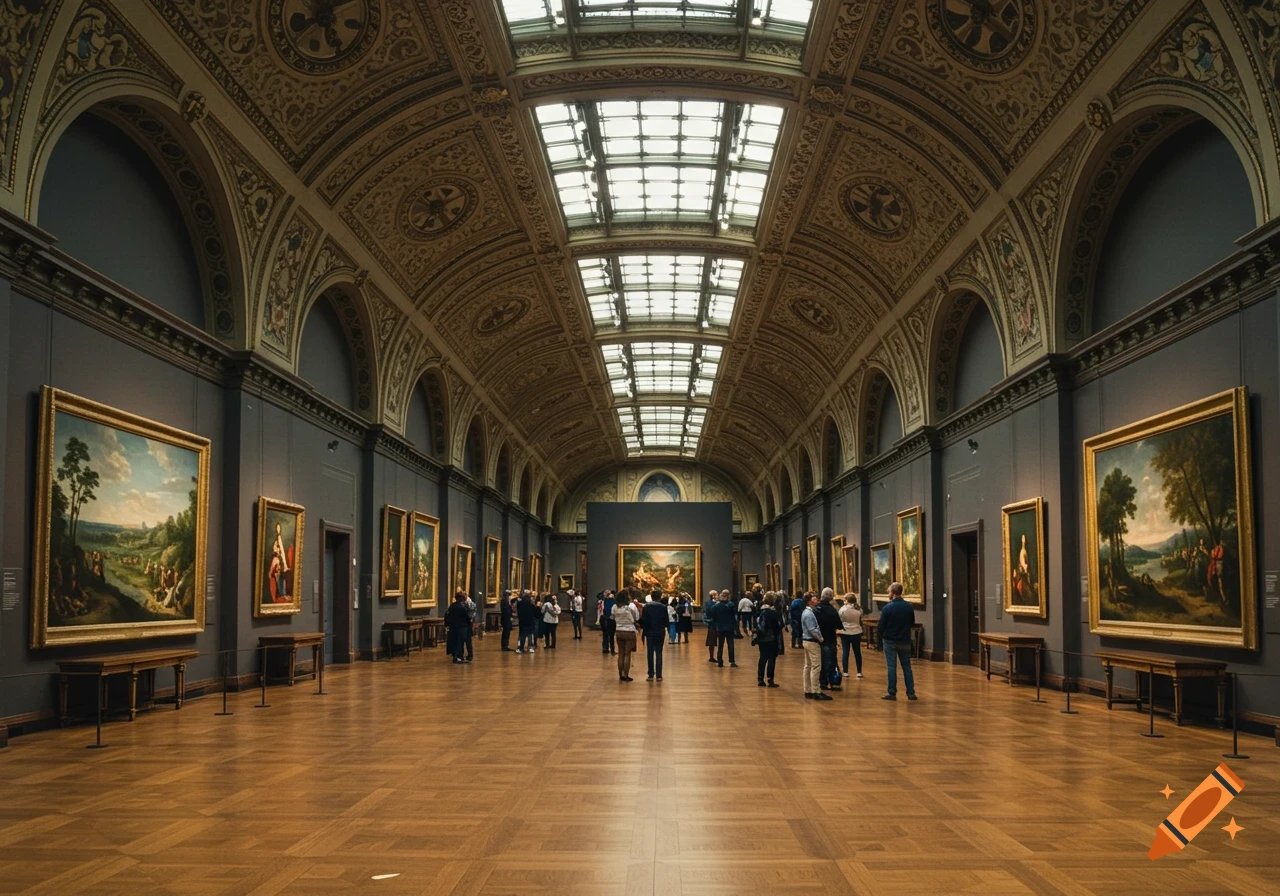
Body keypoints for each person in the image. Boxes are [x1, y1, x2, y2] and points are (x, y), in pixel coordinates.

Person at [879, 582, 917, 701]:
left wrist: (882, 636)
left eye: (889, 592)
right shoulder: (908, 607)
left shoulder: (887, 608)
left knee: (891, 667)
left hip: (890, 640)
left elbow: (881, 626)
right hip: (905, 640)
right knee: (907, 667)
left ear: (893, 593)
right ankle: (911, 693)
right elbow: (912, 623)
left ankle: (892, 692)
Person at [800, 592, 830, 700]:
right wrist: (820, 638)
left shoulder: (807, 612)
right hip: (812, 642)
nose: (816, 599)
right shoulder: (809, 614)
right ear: (809, 601)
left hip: (807, 640)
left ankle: (807, 689)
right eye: (814, 598)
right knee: (816, 666)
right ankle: (816, 690)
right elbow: (812, 629)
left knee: (808, 666)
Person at [754, 592, 783, 687]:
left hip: (761, 638)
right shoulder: (773, 613)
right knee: (771, 658)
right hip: (771, 638)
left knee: (762, 658)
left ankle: (760, 679)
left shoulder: (759, 611)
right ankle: (770, 679)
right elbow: (778, 626)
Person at [815, 589, 841, 691]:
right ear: (831, 597)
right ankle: (831, 681)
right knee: (831, 660)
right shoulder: (832, 610)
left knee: (820, 661)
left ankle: (822, 682)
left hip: (818, 639)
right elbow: (838, 625)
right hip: (830, 638)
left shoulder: (816, 609)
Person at [640, 591, 669, 681]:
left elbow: (643, 620)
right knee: (659, 652)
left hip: (649, 631)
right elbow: (666, 620)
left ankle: (651, 674)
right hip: (660, 631)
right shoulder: (663, 607)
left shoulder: (646, 607)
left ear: (651, 597)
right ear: (660, 597)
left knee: (650, 652)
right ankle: (659, 675)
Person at [612, 592, 640, 681]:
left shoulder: (614, 607)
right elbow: (637, 617)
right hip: (629, 631)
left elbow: (612, 617)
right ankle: (626, 675)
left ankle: (620, 674)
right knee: (627, 654)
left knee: (621, 653)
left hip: (619, 630)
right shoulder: (631, 607)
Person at [838, 592, 864, 678]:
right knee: (857, 652)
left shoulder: (843, 609)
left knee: (846, 652)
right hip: (856, 632)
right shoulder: (859, 609)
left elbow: (840, 620)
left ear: (847, 600)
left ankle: (845, 671)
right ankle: (859, 671)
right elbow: (860, 619)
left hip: (845, 632)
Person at [711, 589, 738, 667]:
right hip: (729, 627)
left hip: (720, 628)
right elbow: (734, 616)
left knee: (720, 645)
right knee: (731, 645)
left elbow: (713, 617)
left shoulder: (716, 606)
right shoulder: (731, 605)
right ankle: (732, 661)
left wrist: (714, 626)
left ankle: (720, 661)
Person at [444, 591, 471, 664]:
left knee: (454, 642)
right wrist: (468, 623)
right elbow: (467, 616)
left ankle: (456, 656)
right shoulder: (462, 606)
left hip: (453, 627)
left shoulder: (452, 606)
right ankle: (458, 657)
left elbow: (446, 615)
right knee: (460, 642)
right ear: (461, 598)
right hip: (461, 627)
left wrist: (447, 624)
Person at [703, 590, 719, 662]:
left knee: (712, 642)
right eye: (716, 595)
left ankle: (712, 656)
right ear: (713, 595)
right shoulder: (713, 604)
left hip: (712, 624)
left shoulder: (708, 603)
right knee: (712, 641)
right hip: (714, 624)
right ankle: (712, 656)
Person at [599, 590, 617, 655]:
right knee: (611, 635)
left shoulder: (602, 601)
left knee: (605, 633)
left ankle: (605, 648)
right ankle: (612, 649)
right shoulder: (613, 601)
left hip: (603, 618)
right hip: (610, 619)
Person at [464, 591, 478, 661]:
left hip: (468, 624)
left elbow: (471, 614)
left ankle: (470, 654)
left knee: (468, 640)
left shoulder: (471, 604)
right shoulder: (464, 603)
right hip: (465, 623)